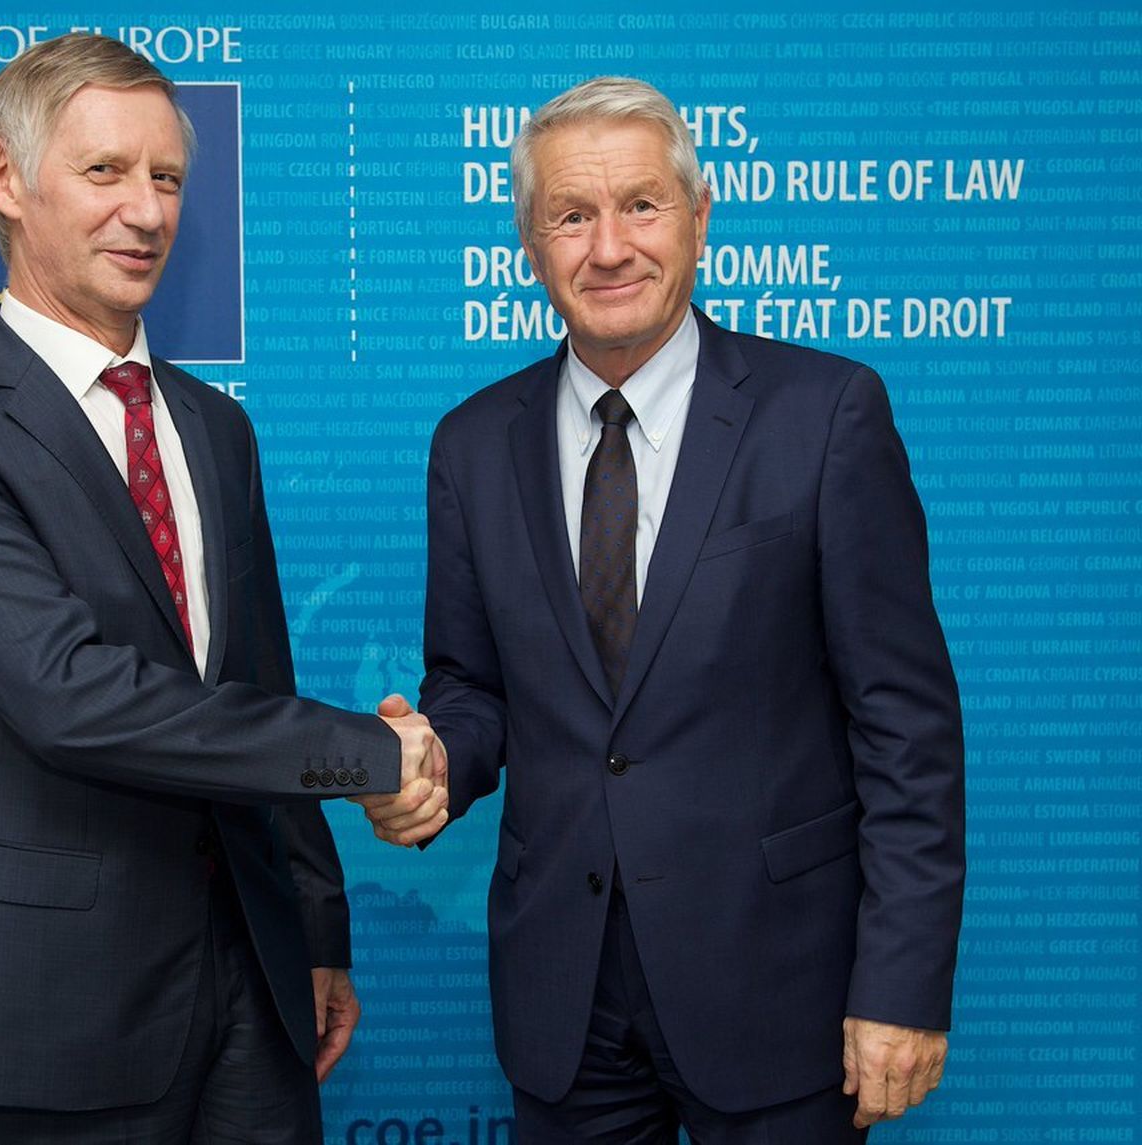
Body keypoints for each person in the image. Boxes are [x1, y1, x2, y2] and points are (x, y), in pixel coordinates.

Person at [0, 33, 438, 1144]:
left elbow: (261, 677)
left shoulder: (216, 427)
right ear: (2, 177)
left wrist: (317, 927)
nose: (148, 211)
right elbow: (73, 697)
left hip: (257, 989)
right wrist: (368, 754)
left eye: (166, 178)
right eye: (105, 172)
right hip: (62, 1003)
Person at [354, 76, 964, 1141]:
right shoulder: (471, 444)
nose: (609, 247)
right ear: (531, 250)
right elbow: (473, 685)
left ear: (699, 218)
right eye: (570, 216)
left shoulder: (824, 416)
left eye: (640, 205)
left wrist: (902, 982)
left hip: (779, 988)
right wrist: (438, 759)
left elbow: (905, 728)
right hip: (563, 996)